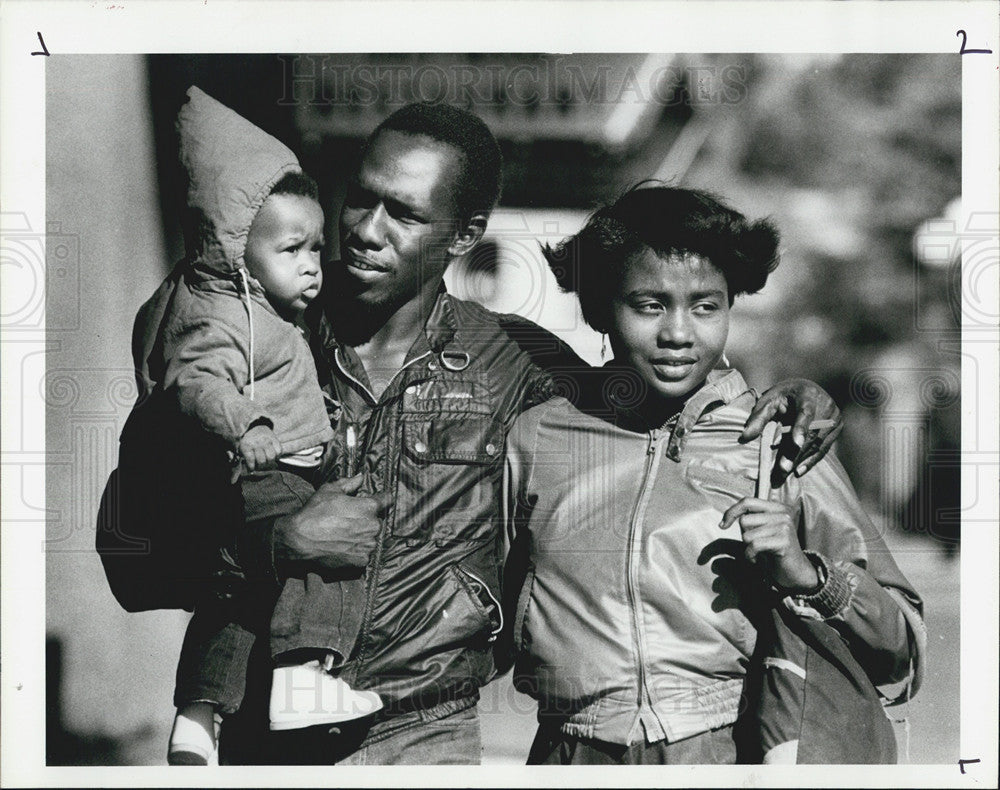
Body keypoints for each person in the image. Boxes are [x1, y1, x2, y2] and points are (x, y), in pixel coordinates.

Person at [210, 103, 844, 766]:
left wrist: (796, 395)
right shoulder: (248, 335)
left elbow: (650, 393)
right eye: (360, 200)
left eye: (403, 213)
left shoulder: (513, 359)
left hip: (427, 735)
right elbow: (139, 530)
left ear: (466, 233)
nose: (367, 231)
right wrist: (279, 539)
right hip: (265, 729)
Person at [503, 185, 925, 764]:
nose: (679, 333)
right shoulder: (537, 438)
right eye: (649, 305)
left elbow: (901, 654)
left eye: (706, 306)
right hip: (566, 756)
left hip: (725, 753)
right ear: (601, 308)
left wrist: (809, 577)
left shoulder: (782, 445)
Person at [134, 87, 382, 766]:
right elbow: (194, 382)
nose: (311, 264)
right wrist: (244, 425)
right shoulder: (224, 316)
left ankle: (196, 715)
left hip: (264, 470)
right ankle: (306, 679)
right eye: (292, 249)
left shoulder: (258, 309)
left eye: (315, 247)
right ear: (238, 251)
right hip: (265, 470)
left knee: (244, 600)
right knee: (326, 560)